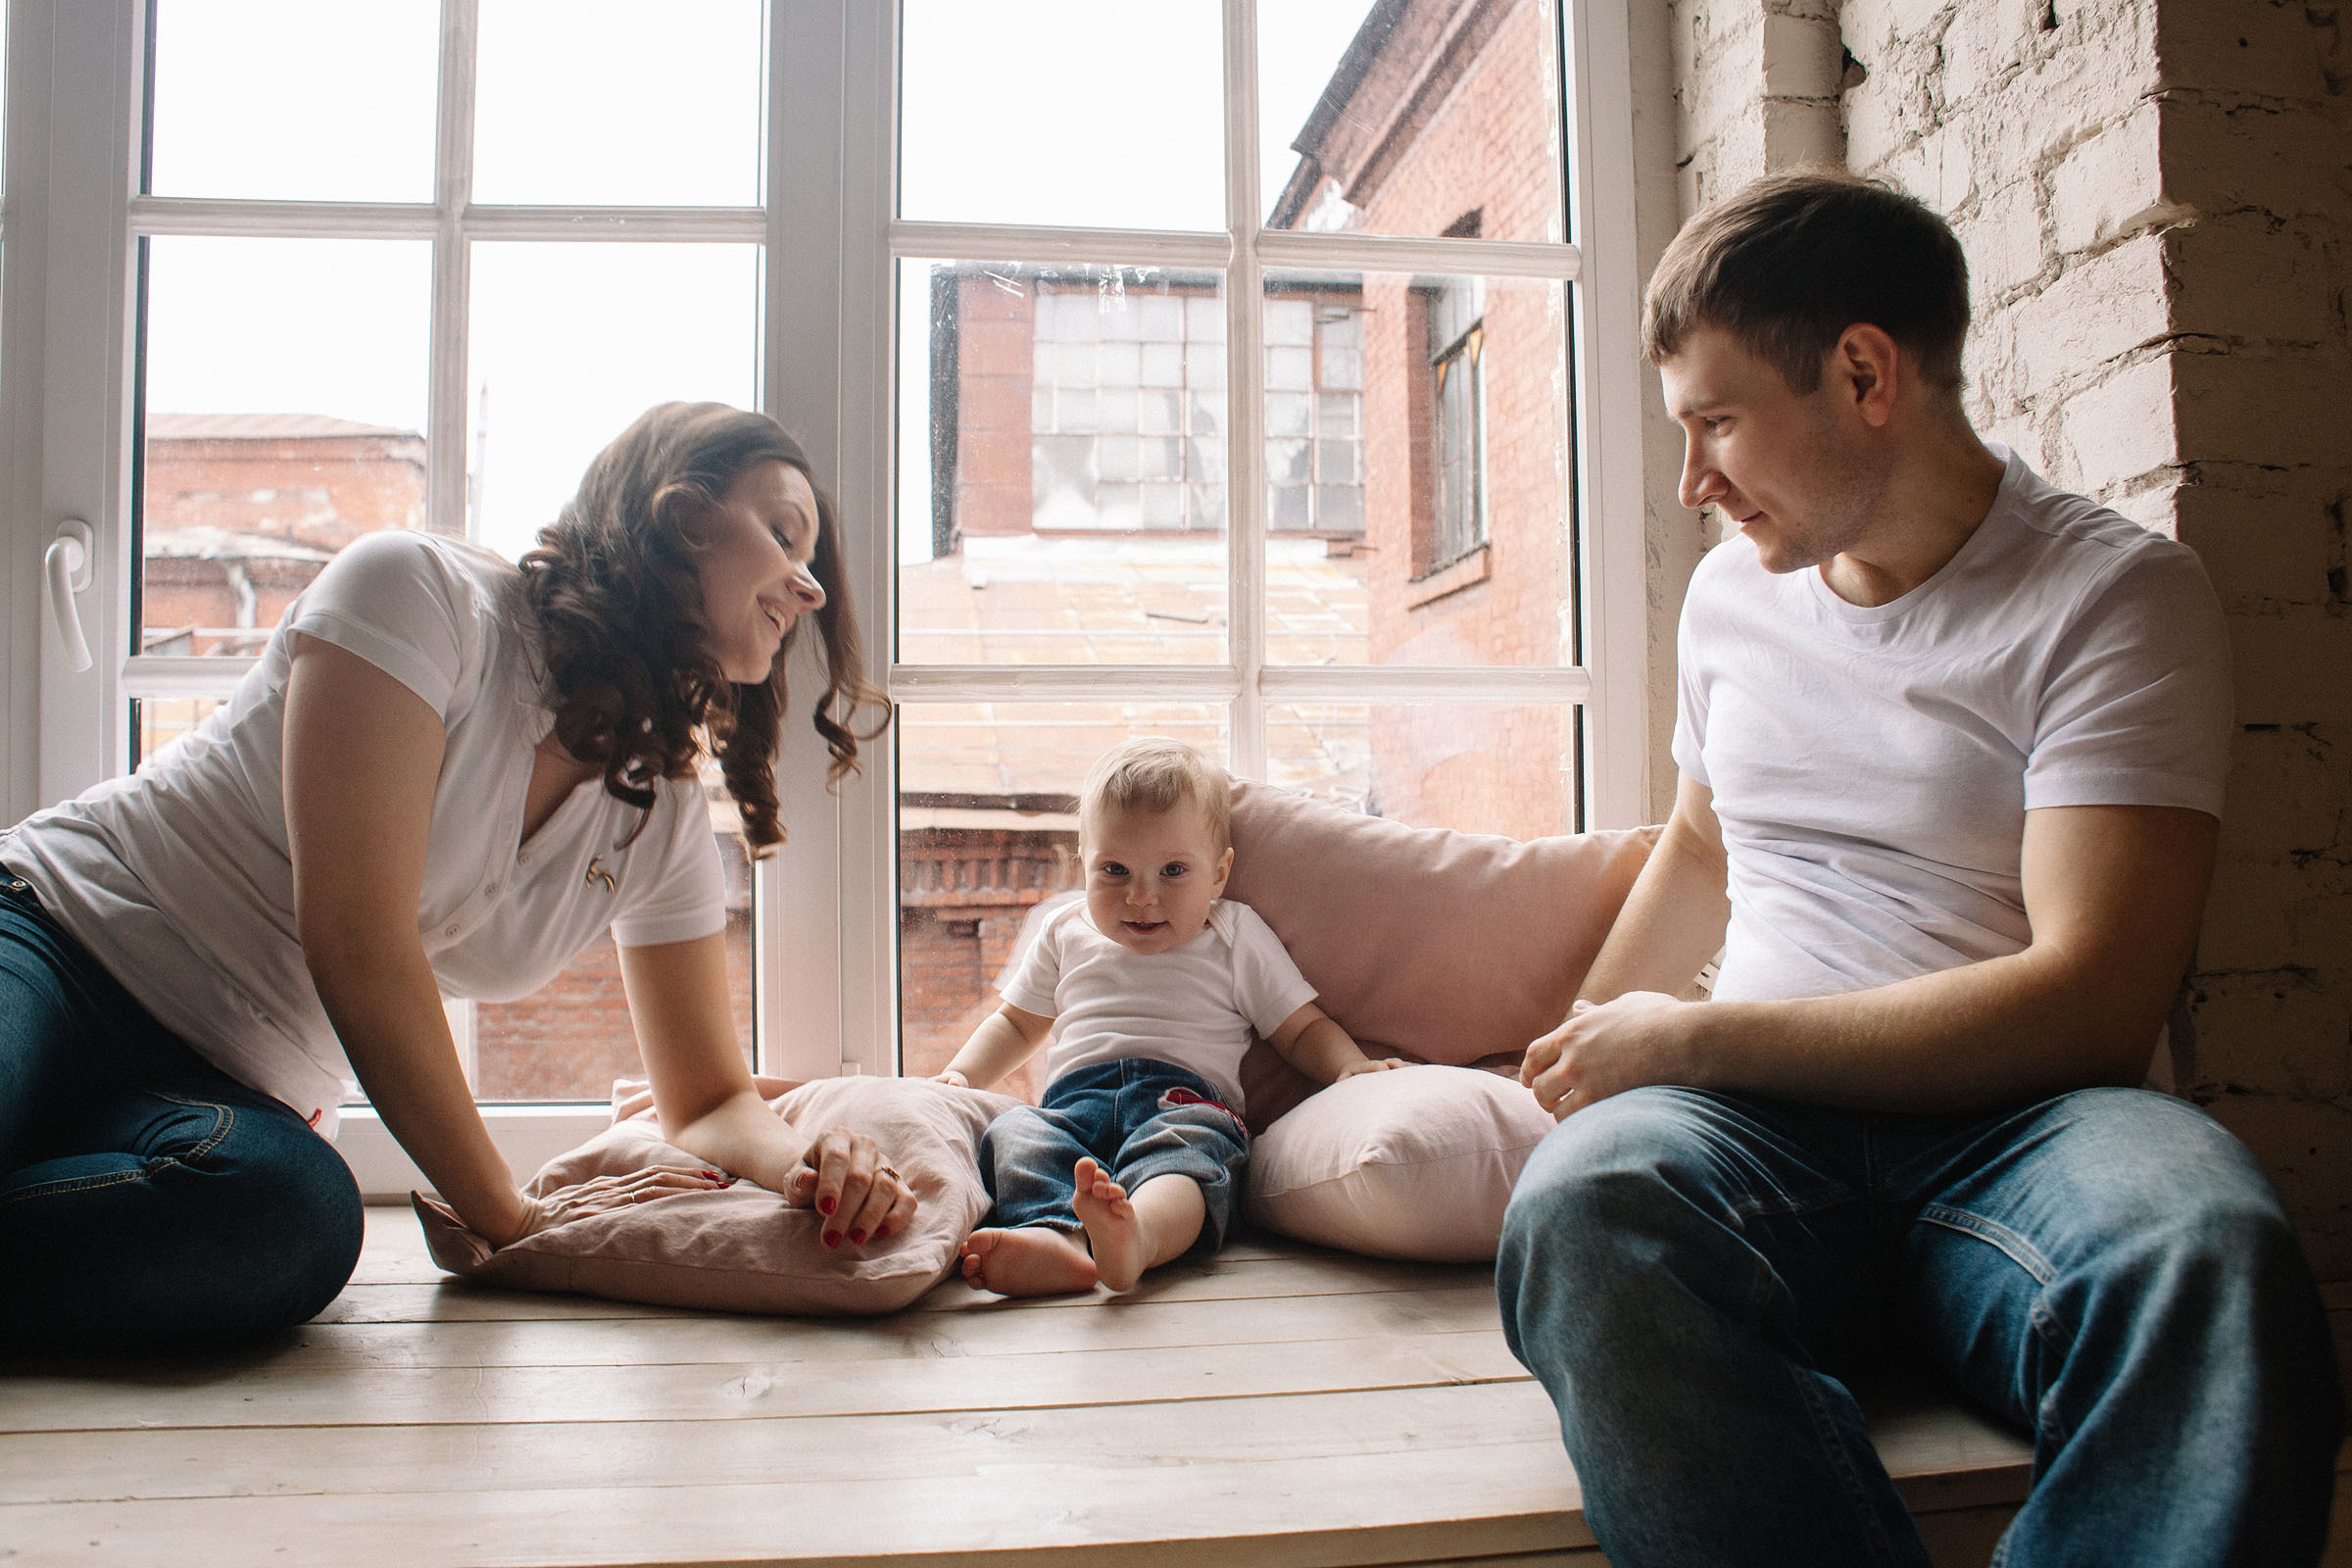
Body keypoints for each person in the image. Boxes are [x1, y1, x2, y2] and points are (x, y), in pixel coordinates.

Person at [1494, 172, 2343, 1566]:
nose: (1694, 481)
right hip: (1756, 1142)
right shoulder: (1731, 597)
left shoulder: (2113, 599)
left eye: (1716, 423)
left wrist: (1693, 1037)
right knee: (1588, 1207)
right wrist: (1584, 1066)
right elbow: (1706, 847)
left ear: (1864, 373)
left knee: (2210, 1250)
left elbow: (2092, 1000)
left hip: (2030, 1131)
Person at [0, 401, 912, 1350]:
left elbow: (708, 1097)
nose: (808, 590)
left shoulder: (662, 815)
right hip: (56, 939)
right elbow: (358, 943)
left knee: (296, 1220)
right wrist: (509, 1212)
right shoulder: (419, 593)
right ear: (681, 515)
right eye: (785, 534)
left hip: (220, 1096)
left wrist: (806, 1164)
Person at [935, 738, 1400, 1296]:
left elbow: (1300, 1027)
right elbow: (1015, 1024)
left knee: (1189, 1155)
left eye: (1173, 871)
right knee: (1016, 1134)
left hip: (1182, 1100)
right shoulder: (1064, 931)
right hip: (1069, 1107)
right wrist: (959, 1079)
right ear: (1083, 861)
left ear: (1219, 874)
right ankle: (1060, 1239)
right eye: (1115, 870)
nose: (1141, 897)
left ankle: (1141, 1235)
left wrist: (1349, 1067)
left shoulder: (1233, 934)